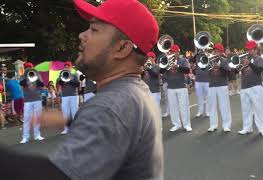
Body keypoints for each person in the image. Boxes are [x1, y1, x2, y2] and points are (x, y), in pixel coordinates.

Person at [0, 0, 163, 179]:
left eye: (94, 29)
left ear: (122, 48)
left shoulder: (110, 106)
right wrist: (72, 121)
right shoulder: (135, 91)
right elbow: (116, 129)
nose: (81, 35)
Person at [238, 41, 263, 136]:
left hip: (256, 86)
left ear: (256, 49)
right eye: (247, 49)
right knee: (246, 109)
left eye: (250, 49)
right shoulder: (244, 59)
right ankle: (247, 128)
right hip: (244, 87)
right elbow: (237, 70)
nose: (249, 51)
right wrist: (238, 65)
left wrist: (249, 64)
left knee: (259, 109)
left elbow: (259, 70)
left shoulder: (259, 59)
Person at [160, 44, 192, 132]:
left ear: (178, 52)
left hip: (181, 86)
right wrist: (165, 64)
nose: (173, 53)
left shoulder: (183, 60)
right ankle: (176, 124)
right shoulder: (167, 61)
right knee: (173, 107)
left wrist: (177, 66)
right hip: (170, 87)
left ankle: (187, 125)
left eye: (175, 52)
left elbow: (187, 70)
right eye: (171, 52)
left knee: (184, 107)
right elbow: (161, 71)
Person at [207, 43, 232, 132]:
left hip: (222, 85)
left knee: (224, 106)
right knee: (212, 106)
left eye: (217, 51)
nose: (215, 52)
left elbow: (228, 73)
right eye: (215, 51)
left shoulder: (224, 60)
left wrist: (220, 67)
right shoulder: (209, 60)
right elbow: (205, 70)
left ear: (221, 52)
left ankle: (226, 125)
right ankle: (213, 125)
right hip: (211, 85)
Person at [19, 62, 45, 144]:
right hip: (27, 101)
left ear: (32, 67)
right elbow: (21, 83)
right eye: (27, 68)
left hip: (37, 99)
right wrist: (26, 76)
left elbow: (42, 84)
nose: (28, 69)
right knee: (27, 119)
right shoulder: (23, 76)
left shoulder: (37, 74)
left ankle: (37, 135)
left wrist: (36, 77)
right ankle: (25, 137)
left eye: (29, 67)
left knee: (37, 118)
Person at [57, 61, 80, 134]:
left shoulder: (74, 75)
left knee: (74, 112)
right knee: (66, 113)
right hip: (65, 96)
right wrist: (62, 78)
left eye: (68, 67)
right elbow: (60, 83)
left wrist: (70, 80)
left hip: (74, 95)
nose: (66, 68)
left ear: (71, 68)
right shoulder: (62, 74)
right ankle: (66, 128)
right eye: (65, 67)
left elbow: (77, 84)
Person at [194, 49, 210, 117]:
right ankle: (200, 111)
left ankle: (208, 111)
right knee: (199, 97)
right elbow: (191, 60)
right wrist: (198, 53)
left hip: (207, 80)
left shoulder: (209, 57)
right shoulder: (197, 57)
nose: (203, 51)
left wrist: (207, 56)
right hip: (198, 80)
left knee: (208, 97)